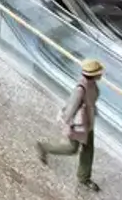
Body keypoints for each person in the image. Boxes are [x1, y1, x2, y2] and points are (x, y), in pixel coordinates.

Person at [36, 59, 103, 191]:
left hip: (88, 123)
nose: (101, 74)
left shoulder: (93, 85)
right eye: (99, 72)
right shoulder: (80, 89)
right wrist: (68, 123)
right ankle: (44, 147)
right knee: (72, 149)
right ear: (94, 74)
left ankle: (84, 177)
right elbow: (71, 108)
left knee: (88, 149)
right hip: (78, 125)